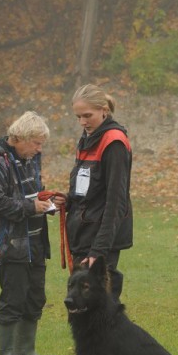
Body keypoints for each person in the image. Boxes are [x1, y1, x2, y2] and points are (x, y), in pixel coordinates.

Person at [0, 111, 56, 355]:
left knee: (35, 297)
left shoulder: (31, 157)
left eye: (41, 144)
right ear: (19, 137)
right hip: (9, 244)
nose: (39, 149)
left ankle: (26, 352)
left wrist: (49, 201)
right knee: (13, 298)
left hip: (36, 241)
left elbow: (33, 192)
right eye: (36, 143)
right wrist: (32, 207)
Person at [64, 83, 133, 301]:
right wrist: (66, 200)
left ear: (104, 109)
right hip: (83, 233)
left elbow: (116, 202)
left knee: (101, 309)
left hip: (100, 240)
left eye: (87, 115)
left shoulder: (114, 143)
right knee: (81, 309)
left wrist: (98, 252)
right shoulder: (87, 138)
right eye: (78, 117)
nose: (83, 122)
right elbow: (87, 191)